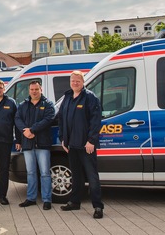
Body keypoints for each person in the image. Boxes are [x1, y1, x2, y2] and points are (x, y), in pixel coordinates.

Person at [58, 71, 104, 219]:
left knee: (92, 176)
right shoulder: (67, 97)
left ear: (83, 82)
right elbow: (62, 120)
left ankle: (98, 206)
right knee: (76, 176)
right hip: (71, 145)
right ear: (70, 82)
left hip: (86, 145)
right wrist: (63, 139)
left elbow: (96, 121)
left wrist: (91, 140)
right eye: (73, 81)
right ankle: (75, 202)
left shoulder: (90, 97)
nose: (75, 83)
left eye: (78, 81)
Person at [15, 81, 56, 210]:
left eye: (36, 89)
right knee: (31, 172)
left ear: (41, 89)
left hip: (43, 144)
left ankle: (47, 199)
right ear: (29, 91)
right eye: (32, 89)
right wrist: (24, 132)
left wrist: (32, 130)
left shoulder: (48, 104)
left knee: (44, 173)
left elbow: (48, 119)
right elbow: (17, 119)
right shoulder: (23, 105)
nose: (34, 91)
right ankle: (31, 198)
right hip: (27, 144)